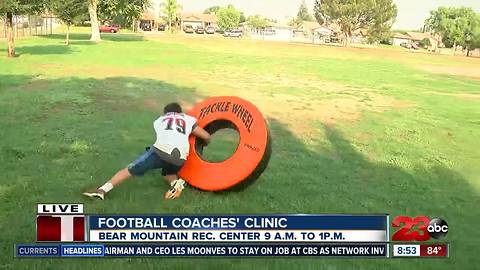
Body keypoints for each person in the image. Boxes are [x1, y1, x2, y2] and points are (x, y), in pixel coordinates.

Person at [83, 102, 210, 200]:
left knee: (129, 170)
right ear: (180, 112)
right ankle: (176, 184)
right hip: (181, 157)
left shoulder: (159, 120)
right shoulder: (187, 119)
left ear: (165, 113)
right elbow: (206, 136)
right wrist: (205, 143)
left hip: (161, 151)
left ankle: (102, 191)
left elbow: (165, 135)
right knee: (168, 173)